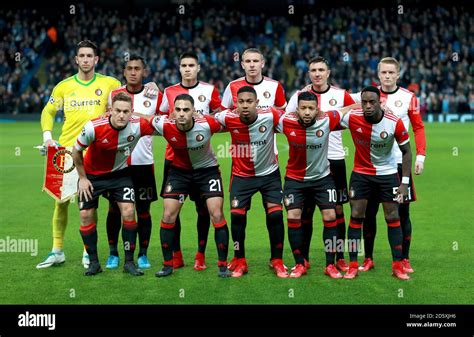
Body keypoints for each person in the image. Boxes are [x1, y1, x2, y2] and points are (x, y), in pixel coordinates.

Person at [37, 40, 121, 269]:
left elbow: (127, 100)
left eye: (89, 56)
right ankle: (57, 251)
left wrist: (151, 84)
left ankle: (88, 251)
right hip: (65, 152)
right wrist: (47, 136)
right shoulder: (63, 86)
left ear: (96, 59)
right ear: (76, 59)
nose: (85, 59)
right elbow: (49, 110)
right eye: (81, 55)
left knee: (89, 205)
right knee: (60, 203)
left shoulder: (110, 83)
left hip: (96, 152)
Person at [351, 58, 426, 273]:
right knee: (369, 212)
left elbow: (419, 127)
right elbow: (345, 105)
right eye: (383, 72)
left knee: (402, 213)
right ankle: (368, 258)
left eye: (391, 72)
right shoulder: (368, 96)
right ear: (378, 74)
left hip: (400, 164)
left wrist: (420, 157)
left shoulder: (409, 97)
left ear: (398, 74)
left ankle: (404, 258)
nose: (387, 76)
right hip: (372, 165)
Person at [72, 92, 157, 276]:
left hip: (120, 175)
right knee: (86, 215)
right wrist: (83, 179)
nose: (121, 115)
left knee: (128, 211)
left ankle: (128, 262)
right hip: (92, 176)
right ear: (110, 111)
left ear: (132, 112)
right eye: (117, 110)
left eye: (126, 111)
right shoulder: (94, 127)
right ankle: (94, 262)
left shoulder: (138, 125)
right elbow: (76, 151)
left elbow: (164, 125)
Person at [148, 94, 231, 278]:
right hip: (179, 173)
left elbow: (232, 122)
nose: (182, 113)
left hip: (207, 171)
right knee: (168, 214)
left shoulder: (208, 123)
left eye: (186, 110)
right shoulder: (164, 124)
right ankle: (168, 265)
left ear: (194, 111)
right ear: (172, 112)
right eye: (178, 110)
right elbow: (141, 119)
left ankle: (223, 266)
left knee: (216, 213)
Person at [286, 56, 356, 272]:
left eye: (321, 69)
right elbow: (286, 117)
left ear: (328, 72)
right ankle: (303, 258)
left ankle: (340, 257)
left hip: (334, 159)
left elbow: (357, 107)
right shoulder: (300, 96)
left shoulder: (340, 94)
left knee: (338, 211)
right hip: (307, 163)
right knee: (304, 212)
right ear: (308, 73)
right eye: (313, 70)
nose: (317, 73)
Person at [213, 86, 288, 278]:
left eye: (249, 101)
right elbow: (205, 121)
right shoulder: (227, 117)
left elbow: (294, 120)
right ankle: (240, 259)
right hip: (241, 176)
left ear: (257, 103)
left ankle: (277, 260)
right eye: (241, 102)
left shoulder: (271, 114)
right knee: (237, 217)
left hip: (269, 174)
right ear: (235, 104)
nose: (245, 105)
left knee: (276, 216)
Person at [159, 52, 222, 271]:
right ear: (179, 68)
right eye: (184, 65)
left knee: (203, 209)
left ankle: (200, 254)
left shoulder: (209, 90)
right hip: (173, 159)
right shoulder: (168, 91)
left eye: (191, 65)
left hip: (202, 159)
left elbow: (222, 115)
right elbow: (159, 120)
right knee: (172, 209)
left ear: (198, 68)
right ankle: (175, 253)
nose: (187, 69)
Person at [340, 86, 412, 280]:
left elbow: (407, 151)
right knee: (356, 216)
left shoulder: (393, 122)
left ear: (381, 102)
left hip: (387, 174)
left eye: (372, 102)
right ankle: (353, 264)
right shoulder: (353, 117)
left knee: (392, 216)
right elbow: (328, 118)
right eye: (364, 102)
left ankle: (397, 265)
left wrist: (404, 182)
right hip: (361, 174)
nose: (368, 106)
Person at [105, 55, 163, 270]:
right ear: (124, 71)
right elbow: (107, 121)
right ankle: (113, 253)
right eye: (129, 68)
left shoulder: (155, 95)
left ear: (144, 72)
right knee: (114, 210)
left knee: (143, 211)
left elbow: (163, 124)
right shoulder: (114, 95)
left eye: (137, 68)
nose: (133, 72)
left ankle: (143, 254)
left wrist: (138, 116)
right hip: (117, 164)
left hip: (143, 163)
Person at [222, 48, 287, 111]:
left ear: (262, 64)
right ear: (242, 65)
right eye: (248, 61)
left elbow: (282, 114)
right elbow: (222, 114)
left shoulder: (275, 85)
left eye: (255, 61)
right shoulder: (232, 86)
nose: (252, 65)